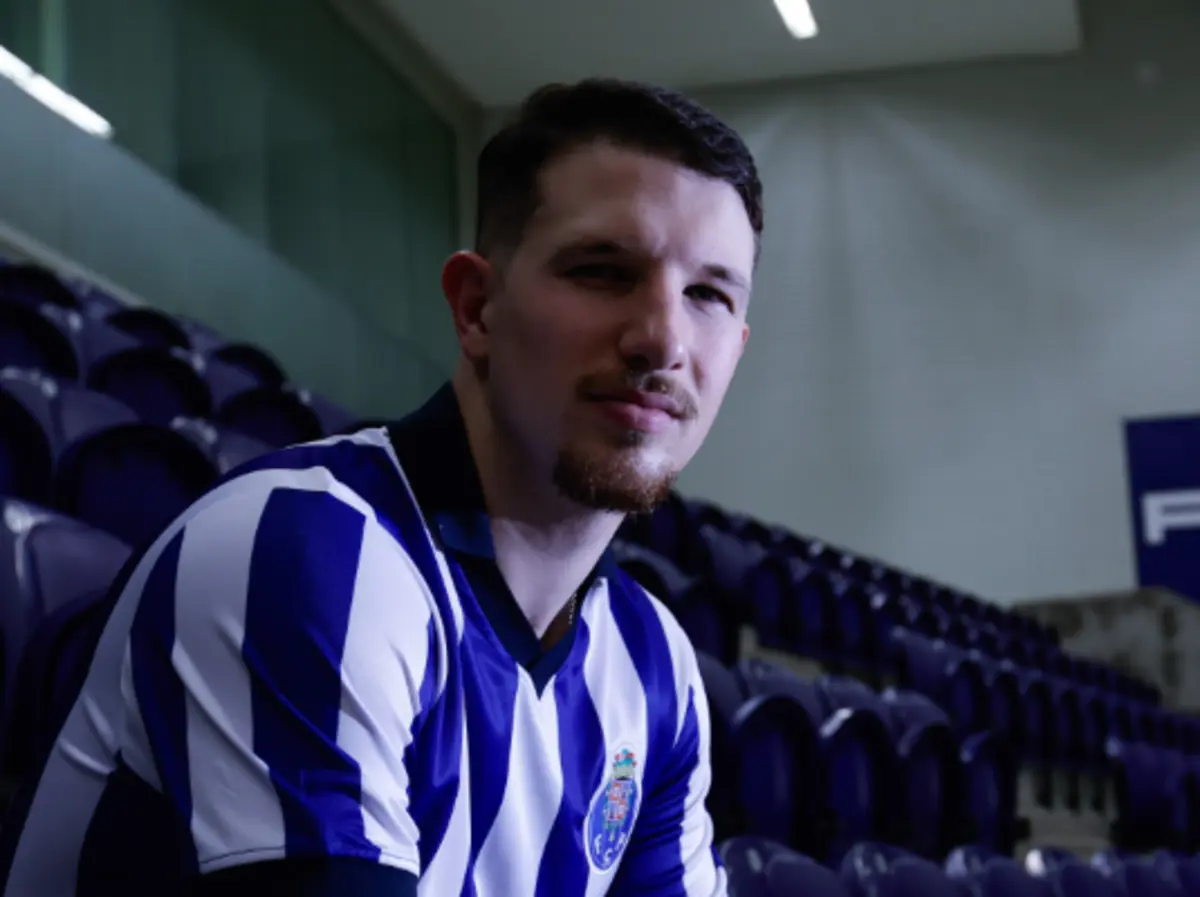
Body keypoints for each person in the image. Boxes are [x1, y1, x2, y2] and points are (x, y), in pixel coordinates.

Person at [0, 77, 762, 896]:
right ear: (477, 308)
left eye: (708, 295)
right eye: (603, 271)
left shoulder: (655, 665)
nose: (663, 338)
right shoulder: (306, 554)